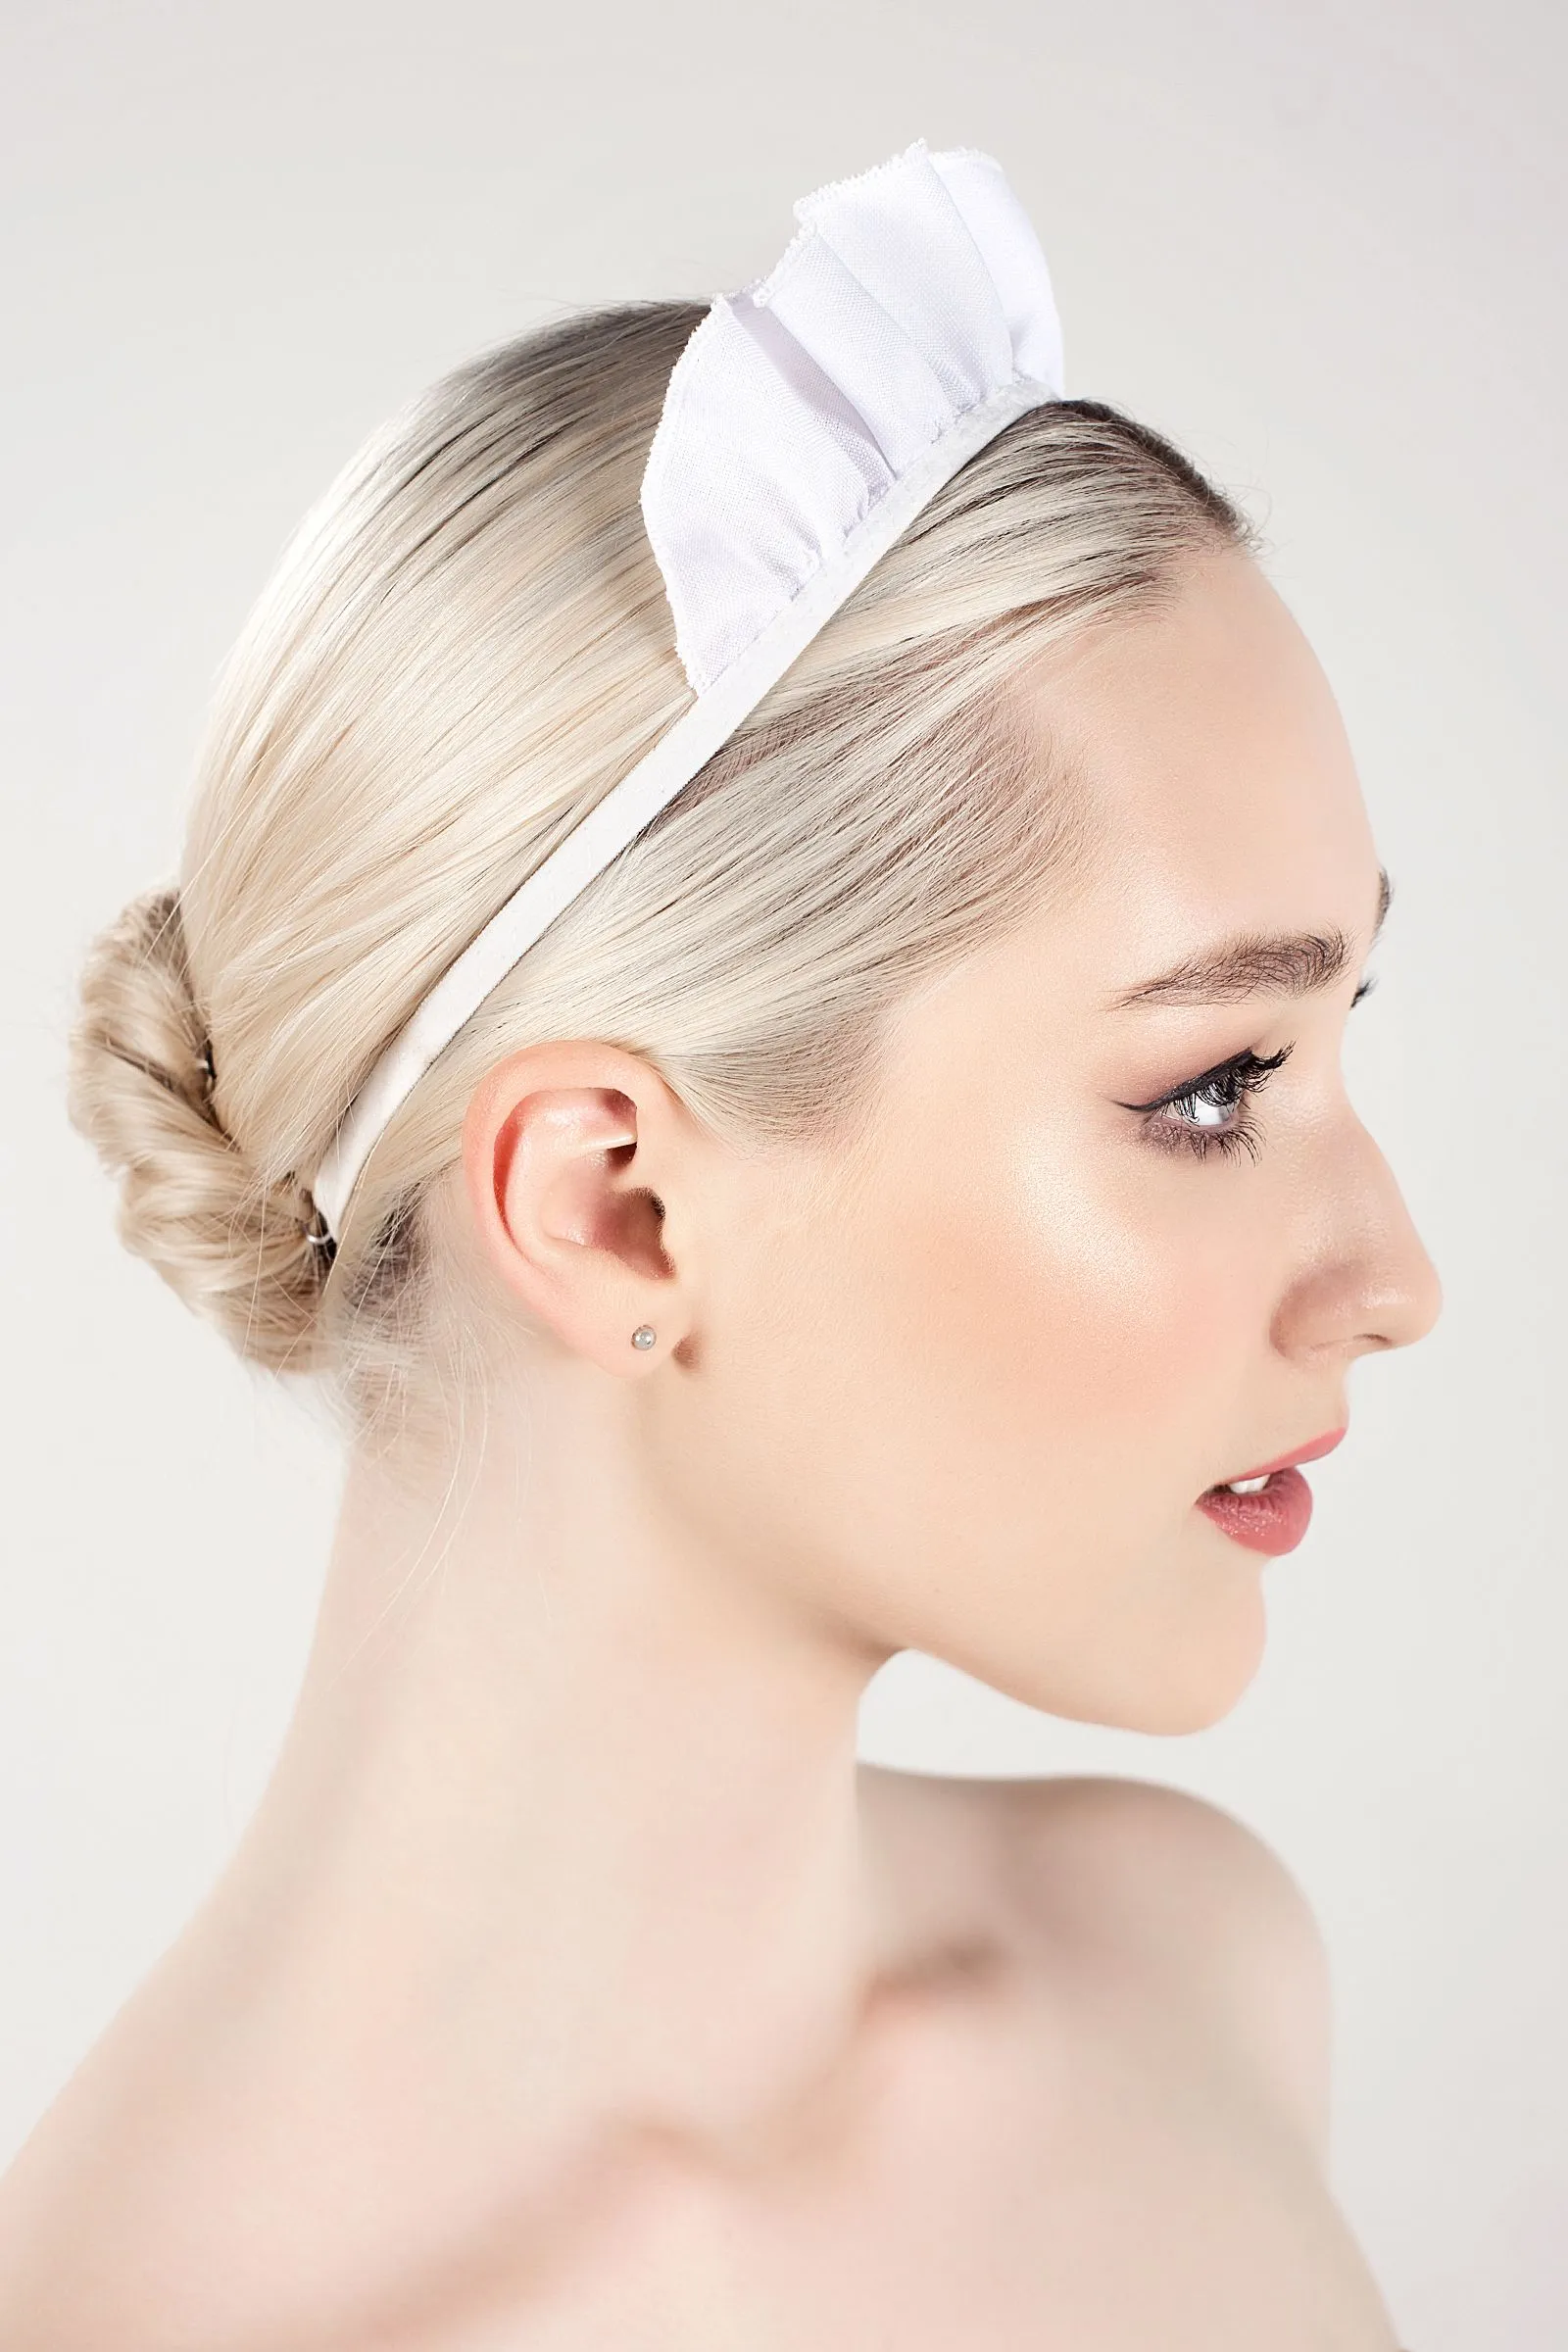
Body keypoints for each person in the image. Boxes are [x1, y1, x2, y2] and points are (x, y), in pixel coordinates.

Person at [0, 146, 1439, 2348]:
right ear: (612, 1205)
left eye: (1337, 1038)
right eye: (1212, 1086)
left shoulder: (1194, 1969)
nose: (1396, 1279)